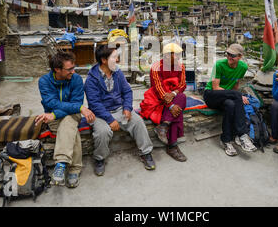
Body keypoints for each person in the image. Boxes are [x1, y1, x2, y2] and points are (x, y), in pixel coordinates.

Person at [84, 45, 155, 176]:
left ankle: (146, 153)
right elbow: (94, 104)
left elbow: (127, 91)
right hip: (100, 114)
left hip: (120, 109)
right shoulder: (91, 79)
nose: (117, 60)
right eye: (114, 57)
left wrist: (127, 108)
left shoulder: (117, 72)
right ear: (104, 60)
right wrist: (110, 120)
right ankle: (100, 159)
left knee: (138, 122)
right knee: (102, 132)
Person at [35, 51, 95, 188]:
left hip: (64, 115)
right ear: (57, 69)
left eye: (73, 68)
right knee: (71, 130)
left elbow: (76, 103)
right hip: (54, 118)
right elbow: (51, 103)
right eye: (69, 69)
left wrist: (56, 114)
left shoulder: (77, 79)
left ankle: (61, 164)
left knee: (69, 120)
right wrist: (80, 108)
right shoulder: (44, 81)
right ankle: (74, 169)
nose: (73, 72)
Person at [203, 43, 257, 156]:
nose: (229, 57)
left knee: (230, 105)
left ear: (240, 57)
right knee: (236, 96)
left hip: (227, 97)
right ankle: (242, 134)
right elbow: (215, 87)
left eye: (233, 55)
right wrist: (236, 95)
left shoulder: (243, 67)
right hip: (211, 95)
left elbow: (236, 83)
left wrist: (235, 95)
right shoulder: (219, 64)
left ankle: (226, 140)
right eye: (228, 54)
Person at [140, 43, 188, 162]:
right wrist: (171, 105)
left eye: (179, 55)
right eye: (175, 55)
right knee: (177, 110)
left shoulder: (180, 66)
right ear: (166, 56)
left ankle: (164, 125)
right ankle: (172, 146)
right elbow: (158, 88)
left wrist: (173, 94)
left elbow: (182, 85)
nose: (178, 57)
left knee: (182, 97)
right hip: (157, 97)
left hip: (173, 95)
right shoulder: (156, 67)